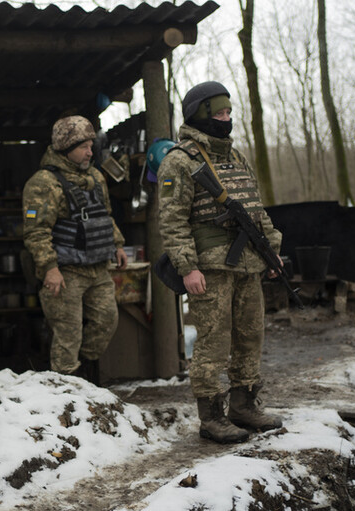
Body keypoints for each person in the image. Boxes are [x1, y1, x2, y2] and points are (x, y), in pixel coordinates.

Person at [156, 82, 283, 444]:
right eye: (220, 113)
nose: (227, 119)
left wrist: (272, 249)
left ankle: (244, 405)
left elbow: (256, 210)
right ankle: (211, 416)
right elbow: (172, 220)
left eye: (229, 112)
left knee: (250, 335)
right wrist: (187, 267)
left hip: (249, 263)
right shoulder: (179, 161)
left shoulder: (236, 157)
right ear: (201, 114)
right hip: (210, 268)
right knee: (214, 341)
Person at [22, 115, 128, 382]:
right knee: (67, 335)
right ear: (65, 148)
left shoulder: (95, 176)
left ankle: (83, 375)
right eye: (83, 147)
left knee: (107, 321)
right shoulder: (44, 183)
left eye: (91, 146)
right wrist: (50, 268)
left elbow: (104, 214)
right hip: (66, 272)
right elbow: (36, 232)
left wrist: (117, 245)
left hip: (98, 268)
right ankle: (66, 389)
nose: (90, 152)